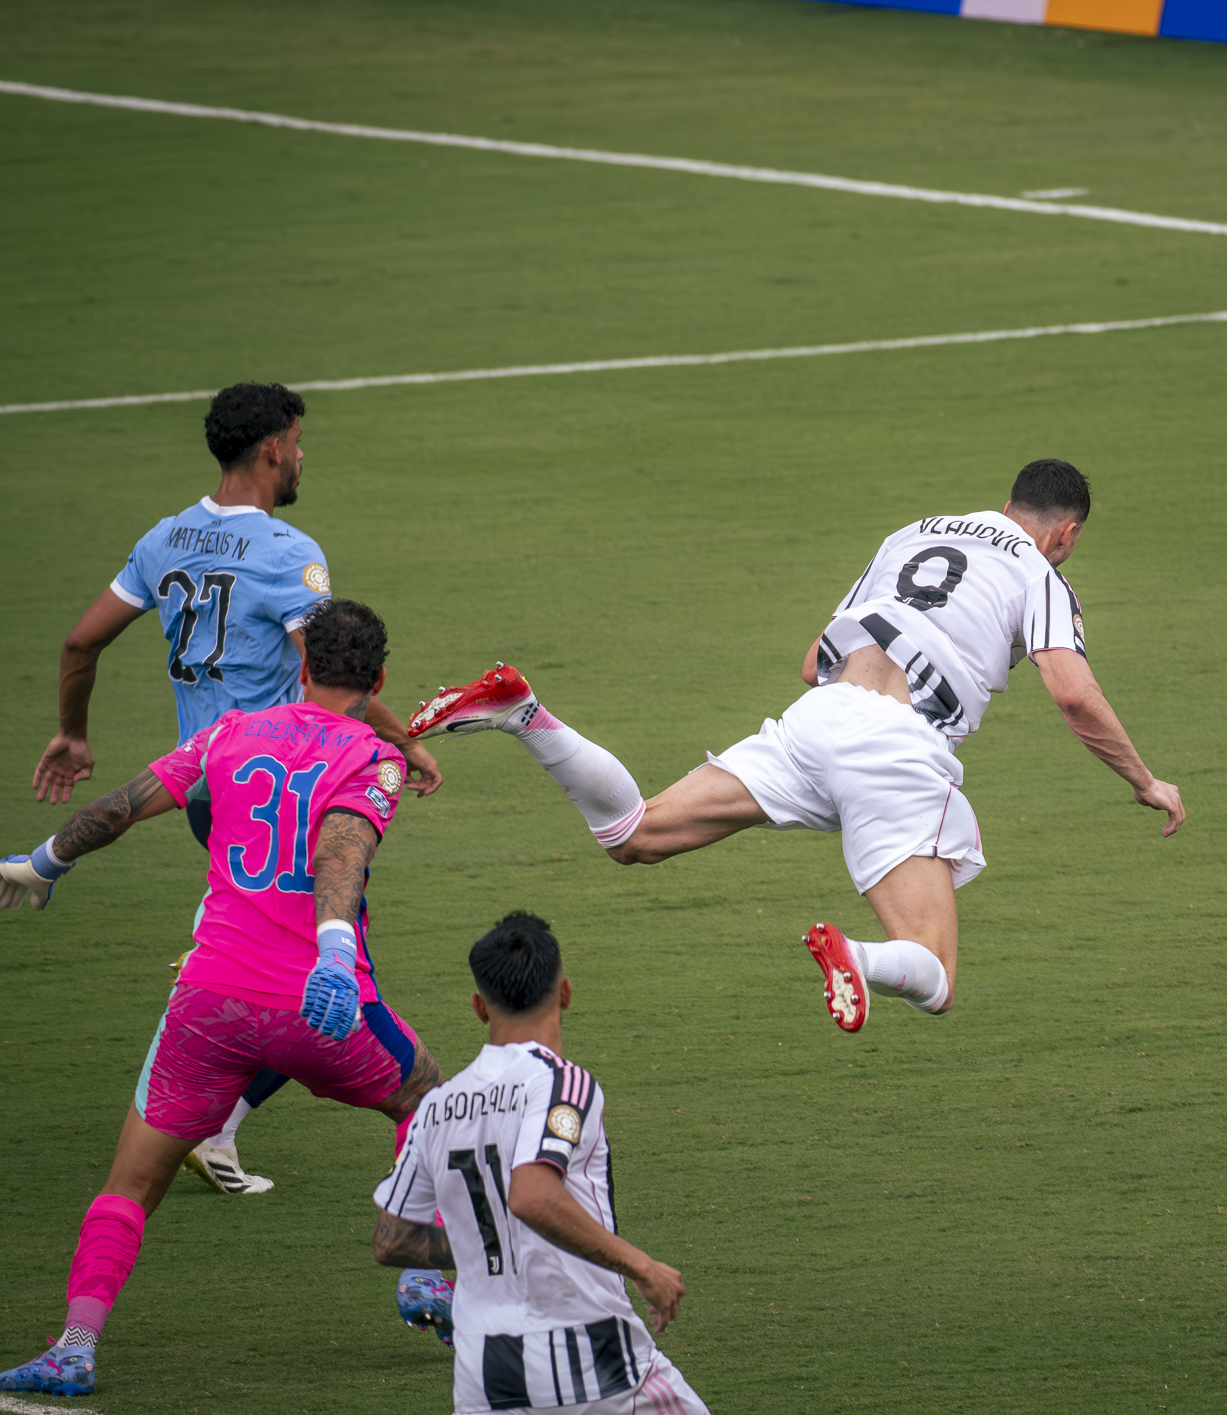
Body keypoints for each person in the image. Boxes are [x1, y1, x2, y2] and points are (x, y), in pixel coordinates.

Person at [410, 458, 1184, 1033]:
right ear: (1066, 533)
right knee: (935, 971)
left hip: (820, 716)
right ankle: (854, 952)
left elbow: (814, 660)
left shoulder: (911, 533)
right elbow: (1073, 691)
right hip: (895, 747)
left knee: (634, 835)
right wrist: (1145, 780)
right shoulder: (1042, 574)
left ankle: (527, 714)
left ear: (1005, 499)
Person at [0, 600, 447, 1398]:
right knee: (426, 1098)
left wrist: (43, 861)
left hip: (208, 1003)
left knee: (131, 1182)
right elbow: (341, 849)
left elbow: (120, 806)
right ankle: (420, 1272)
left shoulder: (228, 732)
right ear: (378, 679)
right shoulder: (374, 756)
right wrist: (336, 956)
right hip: (318, 1003)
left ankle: (74, 1346)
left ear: (302, 667)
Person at [30, 381, 442, 1195]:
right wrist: (399, 740)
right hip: (280, 780)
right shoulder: (291, 553)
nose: (301, 456)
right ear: (274, 448)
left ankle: (216, 1128)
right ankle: (204, 1115)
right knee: (320, 971)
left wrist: (72, 731)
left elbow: (81, 642)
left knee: (310, 957)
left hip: (201, 786)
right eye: (298, 441)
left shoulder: (165, 538)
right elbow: (326, 669)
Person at [371, 911, 712, 1415]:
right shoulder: (562, 1084)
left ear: (479, 1007)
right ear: (566, 993)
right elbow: (532, 1195)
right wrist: (642, 1266)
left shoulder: (437, 1107)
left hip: (483, 1373)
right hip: (590, 1353)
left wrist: (481, 1244)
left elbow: (392, 1240)